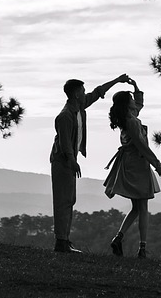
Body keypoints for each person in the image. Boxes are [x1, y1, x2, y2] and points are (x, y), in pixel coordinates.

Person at [50, 73, 131, 253]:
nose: (86, 92)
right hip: (62, 161)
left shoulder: (79, 106)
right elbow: (64, 143)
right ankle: (61, 242)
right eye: (82, 90)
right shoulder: (65, 116)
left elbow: (98, 92)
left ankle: (64, 239)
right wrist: (72, 160)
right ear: (76, 93)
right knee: (63, 200)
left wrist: (117, 80)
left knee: (69, 200)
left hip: (69, 161)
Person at [102, 78, 161, 259]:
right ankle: (142, 248)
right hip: (138, 165)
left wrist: (136, 87)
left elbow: (139, 103)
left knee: (137, 208)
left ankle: (119, 238)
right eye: (130, 97)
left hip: (130, 163)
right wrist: (157, 164)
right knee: (143, 206)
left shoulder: (128, 118)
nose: (134, 100)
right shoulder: (132, 121)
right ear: (127, 104)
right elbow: (141, 145)